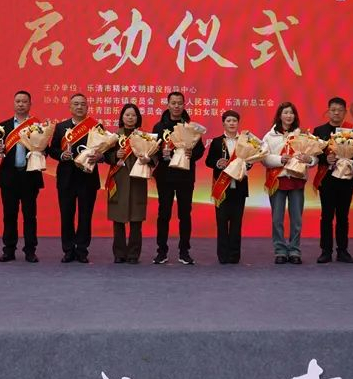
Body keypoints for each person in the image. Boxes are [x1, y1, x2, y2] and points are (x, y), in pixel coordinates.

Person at [151, 91, 206, 265]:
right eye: (173, 103)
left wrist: (192, 153)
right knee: (163, 214)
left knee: (185, 214)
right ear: (168, 104)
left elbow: (200, 150)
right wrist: (161, 153)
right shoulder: (159, 127)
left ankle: (184, 251)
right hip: (165, 176)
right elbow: (152, 150)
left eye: (179, 103)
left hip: (185, 176)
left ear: (184, 105)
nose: (176, 106)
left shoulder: (191, 127)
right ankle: (161, 252)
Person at [47, 93, 102, 264]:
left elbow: (105, 150)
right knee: (67, 215)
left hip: (88, 177)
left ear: (87, 107)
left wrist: (99, 156)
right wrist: (61, 155)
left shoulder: (96, 127)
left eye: (83, 104)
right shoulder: (61, 127)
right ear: (70, 107)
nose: (79, 107)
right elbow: (52, 149)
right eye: (76, 104)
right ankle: (68, 250)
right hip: (66, 178)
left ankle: (82, 250)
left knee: (85, 216)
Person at [262, 102, 317, 264]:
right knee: (277, 219)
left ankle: (294, 250)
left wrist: (309, 159)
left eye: (291, 113)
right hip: (277, 180)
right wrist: (280, 159)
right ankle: (280, 250)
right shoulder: (269, 136)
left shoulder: (303, 134)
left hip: (296, 180)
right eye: (285, 112)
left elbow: (314, 157)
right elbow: (263, 158)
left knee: (296, 219)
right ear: (279, 115)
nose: (288, 116)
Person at [312, 97, 353, 264]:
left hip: (346, 180)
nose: (336, 113)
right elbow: (315, 154)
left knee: (343, 217)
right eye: (333, 110)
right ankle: (325, 251)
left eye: (340, 110)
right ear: (328, 111)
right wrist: (326, 159)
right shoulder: (319, 131)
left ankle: (343, 251)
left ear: (345, 112)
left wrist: (352, 169)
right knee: (326, 216)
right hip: (327, 180)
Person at [0, 91, 43, 263]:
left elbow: (44, 149)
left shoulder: (37, 126)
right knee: (9, 215)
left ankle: (30, 250)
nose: (21, 104)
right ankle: (9, 250)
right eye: (18, 101)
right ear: (14, 103)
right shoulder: (3, 126)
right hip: (9, 176)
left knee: (30, 216)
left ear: (30, 104)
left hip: (30, 176)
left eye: (24, 101)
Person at [104, 104, 154, 264]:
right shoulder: (114, 136)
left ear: (138, 118)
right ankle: (119, 253)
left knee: (136, 219)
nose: (130, 118)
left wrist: (148, 159)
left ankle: (133, 254)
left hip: (137, 180)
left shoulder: (144, 136)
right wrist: (115, 155)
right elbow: (105, 155)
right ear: (122, 117)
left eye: (133, 115)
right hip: (118, 180)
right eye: (127, 115)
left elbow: (154, 156)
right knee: (118, 219)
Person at [205, 110, 250, 264]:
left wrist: (248, 164)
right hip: (222, 188)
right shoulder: (217, 141)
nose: (232, 123)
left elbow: (250, 160)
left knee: (237, 224)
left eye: (234, 121)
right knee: (222, 223)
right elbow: (208, 161)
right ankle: (223, 256)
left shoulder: (245, 142)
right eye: (229, 121)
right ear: (223, 123)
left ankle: (234, 256)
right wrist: (218, 163)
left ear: (238, 123)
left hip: (239, 187)